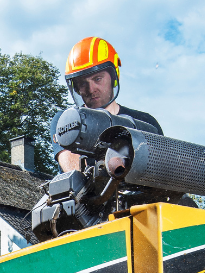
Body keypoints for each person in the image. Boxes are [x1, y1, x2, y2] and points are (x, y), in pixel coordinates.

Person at [52, 36, 163, 173]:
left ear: (113, 77)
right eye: (83, 83)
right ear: (76, 89)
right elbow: (73, 170)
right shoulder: (67, 122)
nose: (91, 89)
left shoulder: (145, 122)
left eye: (97, 79)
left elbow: (162, 169)